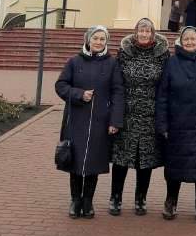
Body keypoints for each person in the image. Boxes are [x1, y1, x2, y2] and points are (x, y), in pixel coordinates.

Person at [55, 25, 124, 219]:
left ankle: (88, 201)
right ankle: (75, 200)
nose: (99, 42)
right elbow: (61, 85)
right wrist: (78, 94)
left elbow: (118, 92)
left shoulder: (112, 64)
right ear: (88, 39)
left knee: (93, 161)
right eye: (96, 38)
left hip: (100, 121)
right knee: (75, 161)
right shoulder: (74, 61)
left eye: (103, 39)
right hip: (76, 119)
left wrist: (115, 121)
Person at [155, 26, 196, 222]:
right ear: (180, 42)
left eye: (193, 39)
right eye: (186, 40)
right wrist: (162, 123)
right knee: (175, 164)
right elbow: (163, 95)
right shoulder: (172, 63)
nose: (190, 42)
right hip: (178, 123)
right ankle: (171, 201)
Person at [109, 18, 169, 216]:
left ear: (153, 34)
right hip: (127, 113)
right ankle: (115, 197)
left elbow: (166, 84)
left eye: (147, 31)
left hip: (150, 114)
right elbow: (116, 82)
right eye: (141, 31)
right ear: (135, 33)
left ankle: (140, 198)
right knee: (121, 158)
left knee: (146, 160)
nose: (144, 34)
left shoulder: (162, 54)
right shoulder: (124, 53)